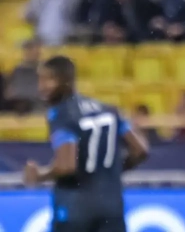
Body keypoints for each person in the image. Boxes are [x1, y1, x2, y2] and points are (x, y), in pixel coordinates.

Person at [22, 56, 149, 232]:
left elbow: (66, 166)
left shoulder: (61, 114)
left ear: (65, 80)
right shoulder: (109, 110)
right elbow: (141, 150)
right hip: (112, 206)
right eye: (40, 80)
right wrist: (112, 171)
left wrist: (39, 176)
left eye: (47, 79)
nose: (41, 86)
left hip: (75, 208)